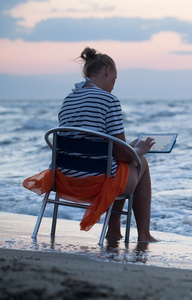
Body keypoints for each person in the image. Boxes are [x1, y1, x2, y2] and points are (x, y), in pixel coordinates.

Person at [25, 47, 157, 242]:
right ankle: (143, 235)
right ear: (107, 70)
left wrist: (129, 148)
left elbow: (89, 144)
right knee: (140, 163)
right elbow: (122, 155)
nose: (113, 85)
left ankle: (114, 231)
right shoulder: (109, 100)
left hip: (62, 179)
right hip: (97, 182)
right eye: (115, 78)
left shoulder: (69, 99)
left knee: (122, 166)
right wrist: (139, 149)